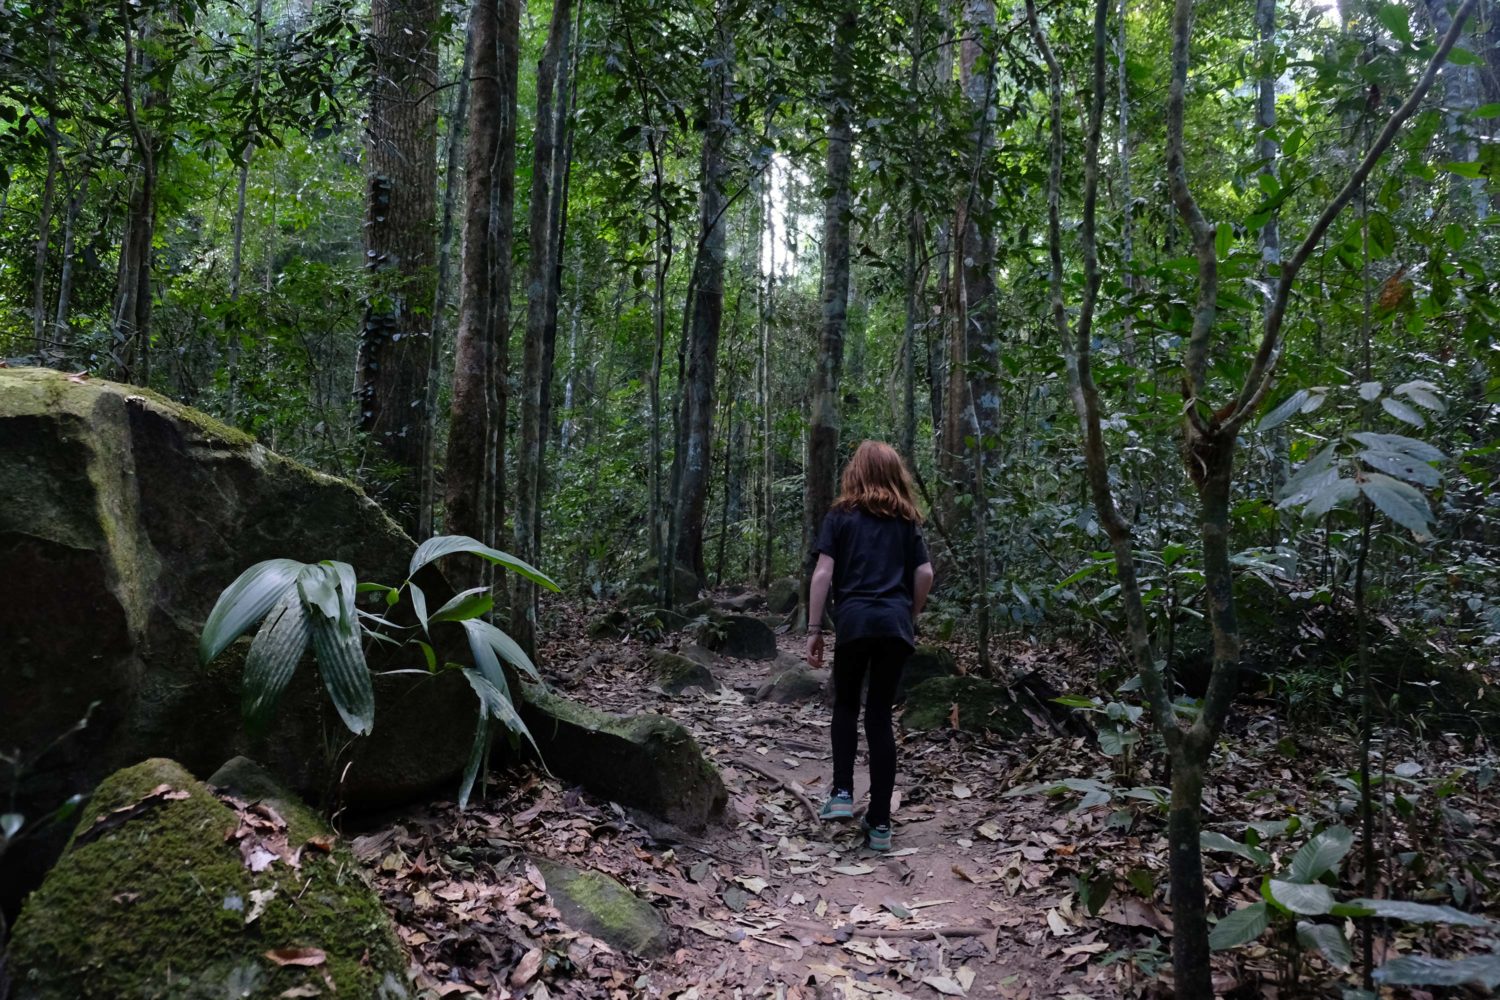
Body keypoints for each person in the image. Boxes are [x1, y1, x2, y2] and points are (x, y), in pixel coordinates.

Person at [805, 440, 935, 852]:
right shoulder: (906, 520)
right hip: (894, 624)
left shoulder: (841, 516)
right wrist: (909, 614)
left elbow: (824, 572)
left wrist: (814, 627)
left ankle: (842, 794)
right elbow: (926, 573)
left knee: (846, 704)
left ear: (855, 472)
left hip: (856, 622)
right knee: (878, 716)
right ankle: (880, 821)